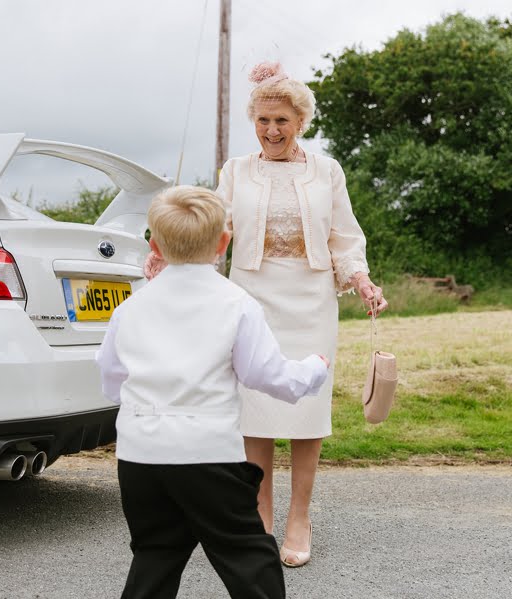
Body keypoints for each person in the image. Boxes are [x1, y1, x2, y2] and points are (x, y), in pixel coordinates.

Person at [144, 61, 389, 568]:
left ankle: (300, 517)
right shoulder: (236, 171)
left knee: (306, 412)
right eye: (262, 121)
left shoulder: (328, 171)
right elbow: (213, 225)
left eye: (281, 121)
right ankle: (260, 519)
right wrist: (166, 248)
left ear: (300, 121)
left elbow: (344, 236)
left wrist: (361, 279)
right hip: (251, 296)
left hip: (312, 298)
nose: (271, 131)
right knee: (254, 409)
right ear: (253, 122)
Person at [98, 186, 329, 599]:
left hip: (140, 455)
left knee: (155, 552)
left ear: (155, 244)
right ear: (224, 242)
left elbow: (111, 375)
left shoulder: (130, 307)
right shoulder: (235, 303)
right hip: (206, 454)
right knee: (248, 554)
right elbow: (267, 375)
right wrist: (314, 370)